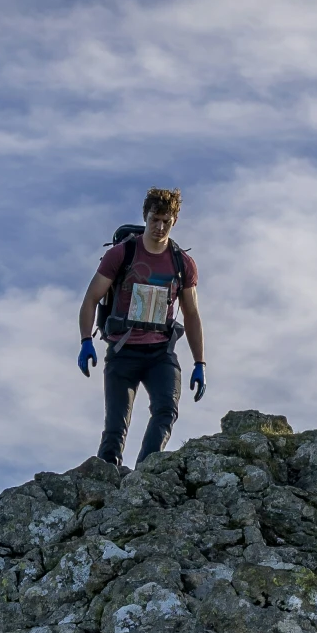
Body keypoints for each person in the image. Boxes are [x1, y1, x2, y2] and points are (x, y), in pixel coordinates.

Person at [78, 187, 205, 467]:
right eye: (154, 219)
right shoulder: (122, 255)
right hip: (123, 352)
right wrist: (86, 340)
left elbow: (192, 314)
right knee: (114, 429)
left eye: (166, 221)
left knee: (166, 410)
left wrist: (200, 362)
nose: (159, 227)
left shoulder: (182, 264)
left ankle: (144, 473)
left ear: (175, 222)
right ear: (145, 217)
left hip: (161, 353)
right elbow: (91, 299)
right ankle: (107, 484)